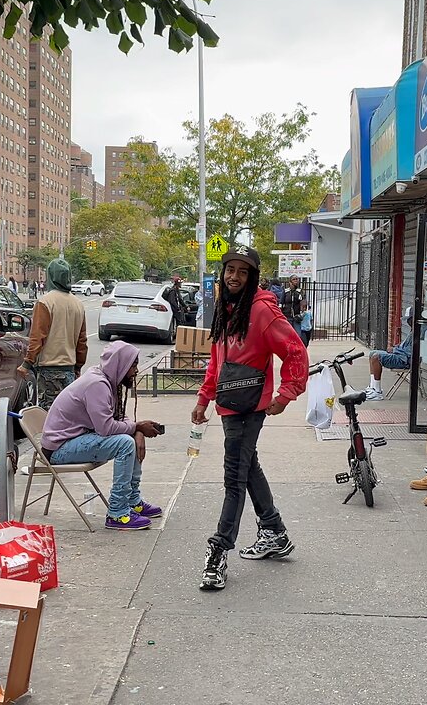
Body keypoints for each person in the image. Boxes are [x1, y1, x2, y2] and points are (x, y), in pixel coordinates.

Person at [192, 244, 309, 591]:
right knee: (247, 466)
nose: (235, 276)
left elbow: (295, 350)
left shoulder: (261, 311)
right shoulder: (226, 308)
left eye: (244, 272)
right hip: (229, 403)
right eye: (231, 269)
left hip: (251, 406)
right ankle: (274, 530)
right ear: (223, 271)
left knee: (234, 477)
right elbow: (218, 359)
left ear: (252, 276)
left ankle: (218, 552)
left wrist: (287, 393)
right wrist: (203, 397)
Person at [40, 341, 164, 530]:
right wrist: (136, 427)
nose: (136, 371)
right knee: (124, 443)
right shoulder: (97, 384)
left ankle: (132, 501)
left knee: (129, 437)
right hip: (59, 449)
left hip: (73, 440)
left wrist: (137, 430)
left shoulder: (107, 380)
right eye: (133, 365)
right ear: (119, 365)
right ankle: (117, 512)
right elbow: (105, 428)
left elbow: (118, 416)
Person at [18, 258, 88, 409]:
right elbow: (82, 342)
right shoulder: (78, 305)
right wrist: (78, 367)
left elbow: (37, 338)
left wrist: (26, 363)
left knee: (48, 417)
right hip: (69, 370)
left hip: (49, 370)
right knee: (67, 415)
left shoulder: (45, 302)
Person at [364, 307, 414, 400]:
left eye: (409, 319)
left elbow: (410, 352)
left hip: (404, 360)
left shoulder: (420, 331)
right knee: (372, 353)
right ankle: (373, 387)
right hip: (401, 355)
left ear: (413, 319)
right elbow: (405, 346)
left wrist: (394, 350)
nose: (407, 322)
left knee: (376, 357)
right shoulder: (413, 329)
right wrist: (396, 348)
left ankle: (377, 392)